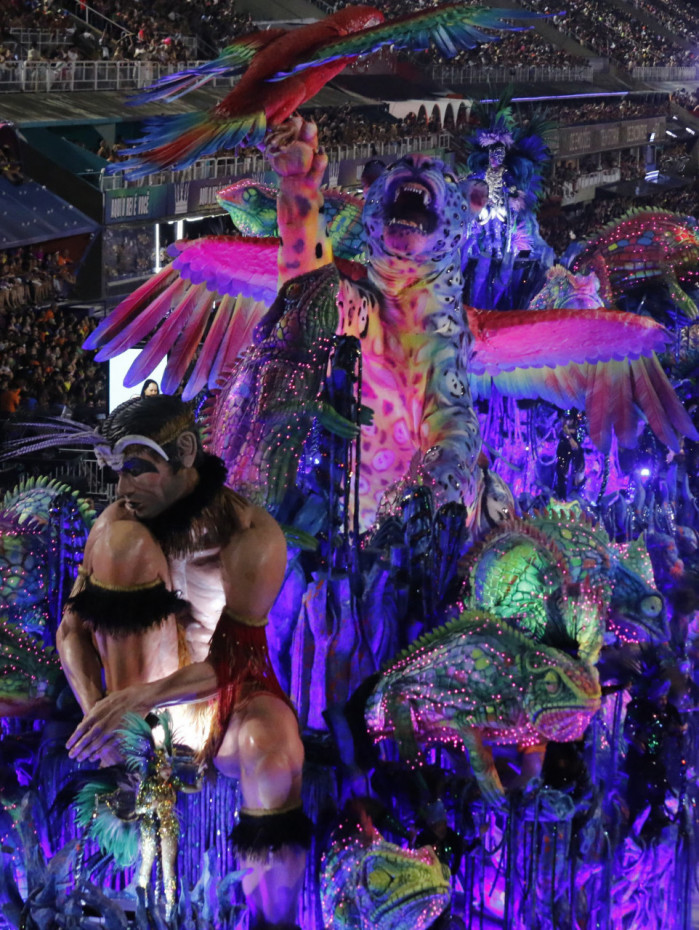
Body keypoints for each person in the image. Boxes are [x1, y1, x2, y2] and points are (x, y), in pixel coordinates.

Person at [58, 394, 308, 929]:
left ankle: (273, 922)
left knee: (275, 744)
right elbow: (70, 632)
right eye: (116, 472)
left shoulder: (249, 536)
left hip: (223, 700)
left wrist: (142, 696)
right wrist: (96, 710)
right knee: (120, 542)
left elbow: (236, 664)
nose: (122, 489)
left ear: (185, 453)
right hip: (143, 723)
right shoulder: (117, 523)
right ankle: (131, 772)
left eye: (136, 469)